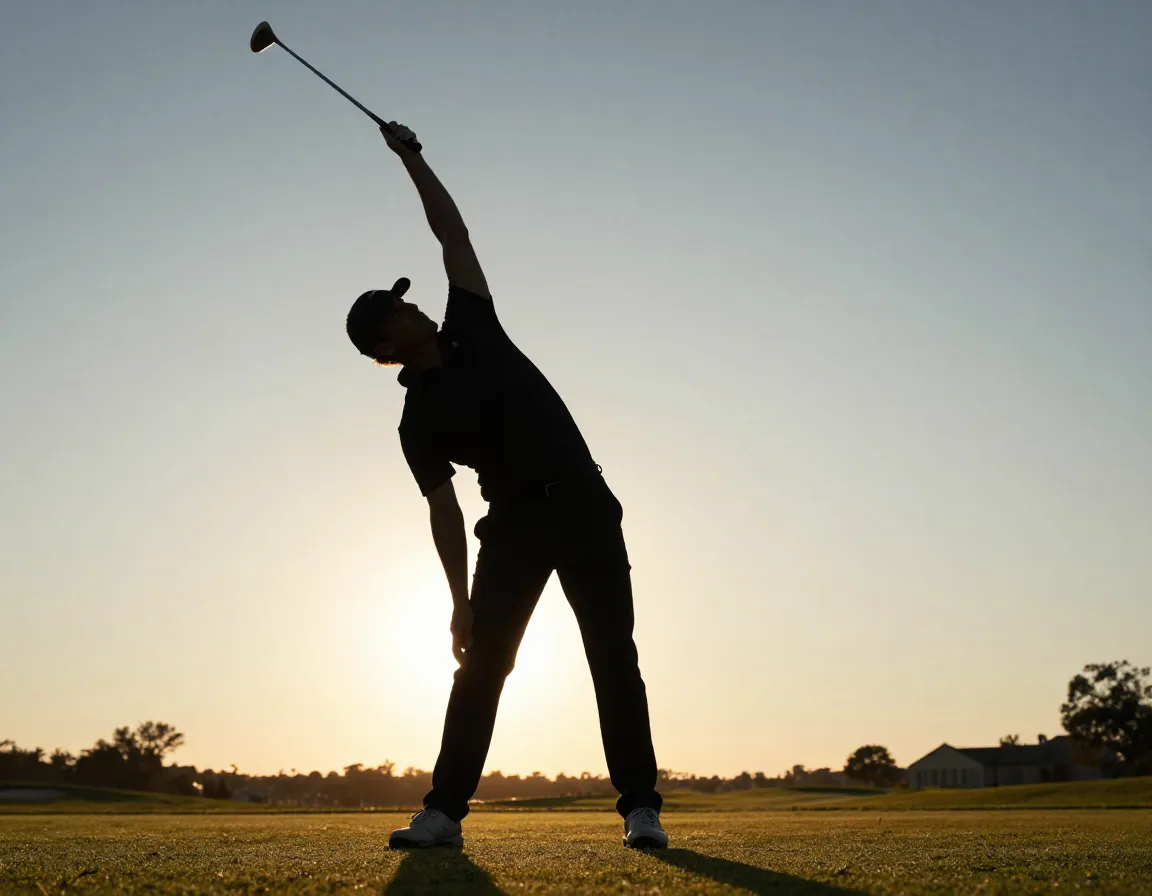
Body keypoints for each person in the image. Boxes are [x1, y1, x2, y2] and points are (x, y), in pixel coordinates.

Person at [345, 122, 666, 850]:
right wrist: (457, 603)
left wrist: (412, 159)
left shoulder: (471, 324)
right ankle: (444, 814)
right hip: (513, 527)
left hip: (584, 505)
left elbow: (451, 233)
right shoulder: (416, 420)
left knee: (614, 657)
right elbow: (445, 513)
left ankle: (641, 808)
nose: (413, 302)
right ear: (386, 344)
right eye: (398, 308)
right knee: (482, 669)